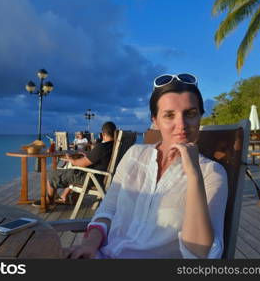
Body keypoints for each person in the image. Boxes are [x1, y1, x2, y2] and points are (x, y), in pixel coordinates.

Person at [65, 73, 228, 259]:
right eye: (169, 115)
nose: (181, 124)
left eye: (190, 114)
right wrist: (89, 244)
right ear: (155, 121)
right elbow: (108, 209)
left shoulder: (211, 173)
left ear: (200, 117)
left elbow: (200, 253)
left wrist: (193, 175)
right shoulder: (135, 155)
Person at [32, 121, 117, 206]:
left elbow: (80, 163)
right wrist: (89, 155)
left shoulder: (102, 147)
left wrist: (70, 159)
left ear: (103, 134)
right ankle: (67, 197)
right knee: (70, 170)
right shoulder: (113, 146)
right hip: (101, 177)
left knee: (52, 174)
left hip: (91, 179)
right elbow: (100, 158)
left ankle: (49, 200)